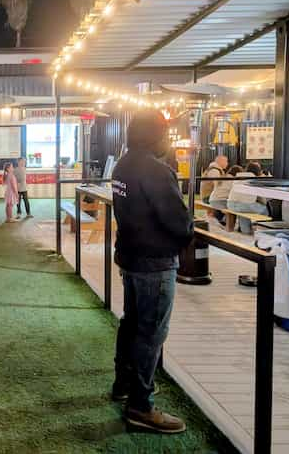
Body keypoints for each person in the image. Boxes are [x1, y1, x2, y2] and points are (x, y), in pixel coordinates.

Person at [111, 110, 193, 434]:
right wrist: (186, 233)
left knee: (131, 324)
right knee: (150, 333)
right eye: (165, 134)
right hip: (155, 262)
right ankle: (141, 407)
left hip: (130, 257)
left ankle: (124, 384)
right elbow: (178, 221)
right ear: (155, 135)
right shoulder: (157, 171)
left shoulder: (123, 164)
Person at [227, 162, 267, 234]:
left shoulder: (238, 177)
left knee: (244, 211)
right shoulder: (254, 179)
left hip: (230, 204)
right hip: (244, 205)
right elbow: (262, 197)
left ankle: (245, 230)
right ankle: (262, 231)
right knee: (264, 209)